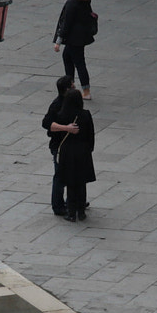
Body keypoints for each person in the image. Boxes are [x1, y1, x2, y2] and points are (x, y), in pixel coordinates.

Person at [51, 88, 96, 222]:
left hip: (67, 152)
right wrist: (89, 149)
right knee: (81, 183)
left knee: (70, 182)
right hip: (82, 152)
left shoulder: (62, 116)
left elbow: (55, 134)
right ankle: (81, 211)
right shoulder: (85, 114)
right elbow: (90, 135)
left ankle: (71, 212)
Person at [53, 0, 93, 100]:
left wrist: (58, 41)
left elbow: (66, 23)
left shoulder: (72, 2)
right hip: (80, 37)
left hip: (73, 39)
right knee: (69, 58)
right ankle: (71, 87)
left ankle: (83, 91)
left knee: (78, 62)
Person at [41, 75, 76, 216]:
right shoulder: (57, 105)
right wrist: (66, 128)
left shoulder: (72, 102)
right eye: (72, 85)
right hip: (59, 145)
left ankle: (74, 200)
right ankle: (58, 205)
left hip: (71, 145)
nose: (74, 87)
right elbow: (46, 124)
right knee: (60, 175)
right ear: (67, 89)